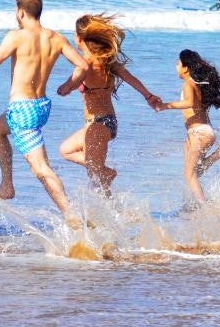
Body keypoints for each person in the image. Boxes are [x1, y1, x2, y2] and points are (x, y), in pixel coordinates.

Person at [0, 0, 90, 225]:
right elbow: (82, 65)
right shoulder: (56, 38)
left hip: (22, 109)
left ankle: (71, 215)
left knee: (41, 169)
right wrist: (68, 86)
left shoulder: (17, 36)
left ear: (21, 12)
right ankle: (7, 185)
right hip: (40, 107)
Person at [59, 14, 161, 196]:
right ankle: (107, 173)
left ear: (79, 38)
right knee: (66, 150)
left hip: (98, 124)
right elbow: (132, 80)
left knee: (96, 177)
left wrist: (63, 88)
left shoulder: (85, 65)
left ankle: (110, 213)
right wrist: (148, 96)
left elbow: (69, 86)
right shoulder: (108, 62)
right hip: (107, 122)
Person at [157, 50, 220, 203]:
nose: (176, 66)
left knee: (189, 174)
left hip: (199, 133)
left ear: (186, 68)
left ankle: (203, 206)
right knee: (195, 172)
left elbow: (189, 103)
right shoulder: (198, 85)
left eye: (178, 63)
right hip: (199, 132)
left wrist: (165, 106)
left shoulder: (188, 84)